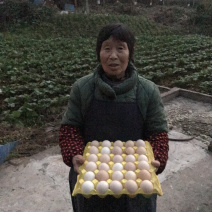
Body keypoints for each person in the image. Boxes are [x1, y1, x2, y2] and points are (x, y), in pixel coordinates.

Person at [59, 23, 169, 212]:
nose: (113, 56)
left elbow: (157, 132)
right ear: (98, 52)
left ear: (130, 52)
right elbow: (70, 128)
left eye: (120, 48)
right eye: (107, 48)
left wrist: (157, 157)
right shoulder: (82, 88)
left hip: (135, 182)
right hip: (90, 181)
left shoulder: (148, 91)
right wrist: (74, 153)